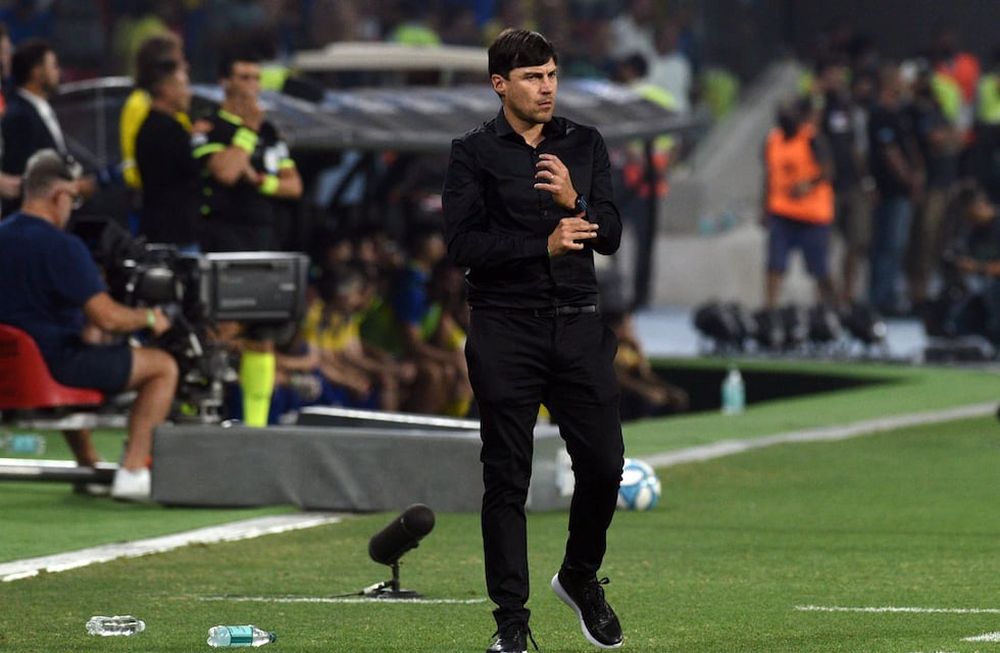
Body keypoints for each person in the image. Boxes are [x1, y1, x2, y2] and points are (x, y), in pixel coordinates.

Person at [442, 29, 625, 653]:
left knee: (604, 463)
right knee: (506, 479)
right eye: (531, 77)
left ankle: (578, 576)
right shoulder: (470, 154)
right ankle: (512, 626)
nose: (545, 87)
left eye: (551, 75)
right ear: (500, 85)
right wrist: (539, 244)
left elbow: (613, 232)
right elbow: (461, 247)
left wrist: (578, 201)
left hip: (578, 323)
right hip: (504, 325)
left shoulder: (585, 142)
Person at [0, 150, 177, 500]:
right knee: (162, 367)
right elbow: (107, 317)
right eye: (74, 199)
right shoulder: (62, 247)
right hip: (55, 366)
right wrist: (149, 317)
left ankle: (89, 465)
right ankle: (133, 470)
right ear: (60, 195)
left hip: (10, 367)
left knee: (80, 346)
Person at [194, 46, 303, 427]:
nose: (251, 85)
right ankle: (204, 419)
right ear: (224, 81)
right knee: (221, 330)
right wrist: (248, 133)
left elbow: (293, 185)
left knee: (262, 335)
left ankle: (255, 426)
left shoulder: (270, 131)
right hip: (225, 240)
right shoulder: (209, 125)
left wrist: (261, 182)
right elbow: (224, 171)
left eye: (256, 78)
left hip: (263, 238)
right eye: (243, 77)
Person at [762, 96, 836, 309]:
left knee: (820, 268)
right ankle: (770, 309)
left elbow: (828, 170)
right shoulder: (773, 140)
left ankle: (832, 307)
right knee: (775, 264)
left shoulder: (812, 138)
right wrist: (765, 207)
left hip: (812, 214)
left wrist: (808, 184)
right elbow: (768, 175)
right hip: (782, 211)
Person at [868, 63, 923, 314]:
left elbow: (907, 146)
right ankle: (881, 298)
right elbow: (890, 152)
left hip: (898, 190)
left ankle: (887, 294)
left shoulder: (899, 113)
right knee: (890, 243)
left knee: (894, 244)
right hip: (890, 190)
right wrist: (909, 178)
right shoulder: (881, 114)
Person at [0, 39, 75, 217]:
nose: (59, 72)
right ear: (37, 71)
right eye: (54, 66)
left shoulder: (42, 110)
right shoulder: (19, 117)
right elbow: (24, 174)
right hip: (32, 219)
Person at [134, 54, 200, 248]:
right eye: (184, 85)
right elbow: (193, 174)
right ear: (165, 89)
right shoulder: (168, 132)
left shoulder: (150, 128)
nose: (189, 93)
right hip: (175, 239)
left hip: (159, 232)